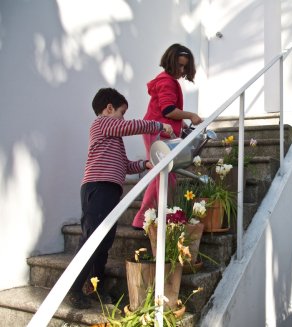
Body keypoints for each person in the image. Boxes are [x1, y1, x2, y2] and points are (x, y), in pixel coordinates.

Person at [68, 87, 173, 309]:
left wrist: (143, 165)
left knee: (104, 242)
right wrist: (158, 125)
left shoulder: (112, 136)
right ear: (108, 109)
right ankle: (74, 289)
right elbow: (129, 126)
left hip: (109, 190)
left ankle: (94, 287)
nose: (123, 118)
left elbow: (124, 165)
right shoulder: (101, 123)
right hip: (97, 188)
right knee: (91, 239)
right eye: (121, 112)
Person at [132, 43, 203, 229]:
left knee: (162, 173)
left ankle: (148, 217)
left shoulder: (168, 80)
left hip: (159, 131)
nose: (181, 70)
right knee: (162, 174)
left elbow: (168, 112)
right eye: (179, 65)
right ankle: (151, 217)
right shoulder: (166, 81)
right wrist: (191, 116)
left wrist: (184, 125)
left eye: (184, 67)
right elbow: (168, 110)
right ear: (170, 62)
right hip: (156, 132)